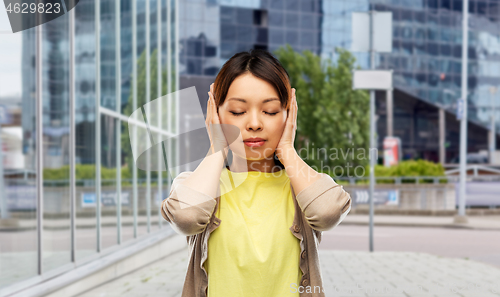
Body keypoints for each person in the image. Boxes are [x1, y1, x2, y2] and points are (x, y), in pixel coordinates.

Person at [161, 49, 352, 297]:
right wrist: (217, 148)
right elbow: (186, 218)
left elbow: (327, 213)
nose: (254, 123)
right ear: (215, 114)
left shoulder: (302, 187)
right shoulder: (198, 185)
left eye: (270, 111)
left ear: (289, 114)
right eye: (238, 112)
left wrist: (286, 150)